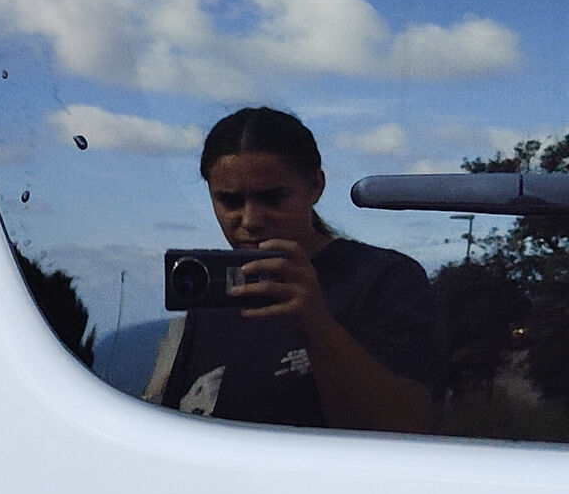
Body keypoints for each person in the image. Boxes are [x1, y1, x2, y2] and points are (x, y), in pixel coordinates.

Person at [145, 107, 443, 433]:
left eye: (272, 198)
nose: (250, 220)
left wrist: (316, 324)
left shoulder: (384, 281)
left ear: (315, 186)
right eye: (230, 201)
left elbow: (407, 429)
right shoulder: (217, 295)